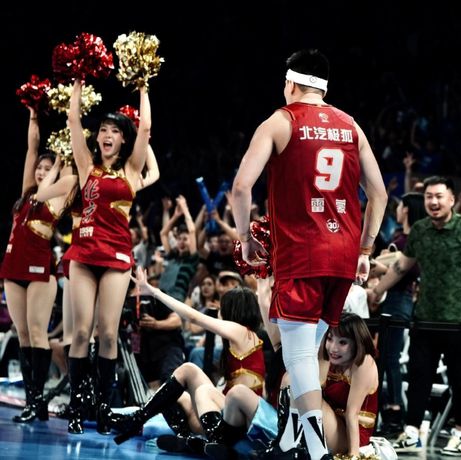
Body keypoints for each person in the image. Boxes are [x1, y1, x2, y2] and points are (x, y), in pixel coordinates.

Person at [231, 48, 387, 460]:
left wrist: (245, 238)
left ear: (291, 83)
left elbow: (241, 188)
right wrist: (366, 248)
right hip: (343, 255)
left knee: (298, 354)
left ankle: (316, 450)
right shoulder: (351, 126)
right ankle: (287, 443)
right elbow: (379, 194)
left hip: (303, 252)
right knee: (307, 354)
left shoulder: (280, 121)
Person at [368, 175, 461, 456]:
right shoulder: (420, 230)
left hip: (458, 321)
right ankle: (412, 432)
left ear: (451, 199)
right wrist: (377, 290)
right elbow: (402, 266)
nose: (434, 202)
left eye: (439, 196)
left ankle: (460, 433)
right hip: (424, 318)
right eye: (429, 197)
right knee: (419, 377)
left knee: (459, 379)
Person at [62, 78, 151, 434]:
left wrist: (143, 85)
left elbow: (147, 128)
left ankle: (103, 408)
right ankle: (76, 408)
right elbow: (72, 121)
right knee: (82, 331)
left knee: (109, 335)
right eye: (102, 129)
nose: (107, 134)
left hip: (116, 256)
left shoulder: (131, 170)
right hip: (84, 254)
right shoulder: (87, 166)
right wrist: (78, 82)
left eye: (114, 130)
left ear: (123, 138)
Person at [111, 267, 265, 452]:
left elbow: (193, 317)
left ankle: (208, 442)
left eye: (222, 307)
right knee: (175, 389)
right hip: (228, 416)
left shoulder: (241, 332)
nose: (219, 310)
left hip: (237, 421)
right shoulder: (243, 338)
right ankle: (182, 437)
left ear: (233, 310)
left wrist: (154, 292)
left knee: (203, 390)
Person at [211, 312, 379, 458]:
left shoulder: (364, 362)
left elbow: (352, 414)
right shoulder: (324, 358)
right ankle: (231, 445)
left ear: (357, 343)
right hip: (316, 426)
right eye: (330, 339)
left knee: (303, 387)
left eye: (342, 342)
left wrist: (353, 455)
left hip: (350, 435)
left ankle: (284, 446)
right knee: (293, 381)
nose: (333, 348)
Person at [0, 108, 65, 423]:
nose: (40, 172)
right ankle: (30, 400)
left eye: (47, 168)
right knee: (22, 334)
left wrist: (61, 160)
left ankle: (39, 401)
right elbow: (31, 148)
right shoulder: (27, 193)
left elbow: (60, 175)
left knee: (38, 333)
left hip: (41, 267)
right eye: (39, 168)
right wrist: (34, 116)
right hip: (12, 265)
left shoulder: (57, 194)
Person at [370, 191, 424, 434]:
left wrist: (382, 269)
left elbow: (409, 271)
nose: (398, 209)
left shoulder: (415, 239)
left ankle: (394, 408)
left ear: (407, 209)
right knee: (385, 355)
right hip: (392, 298)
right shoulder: (400, 237)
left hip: (401, 299)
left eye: (401, 205)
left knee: (391, 357)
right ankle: (387, 407)